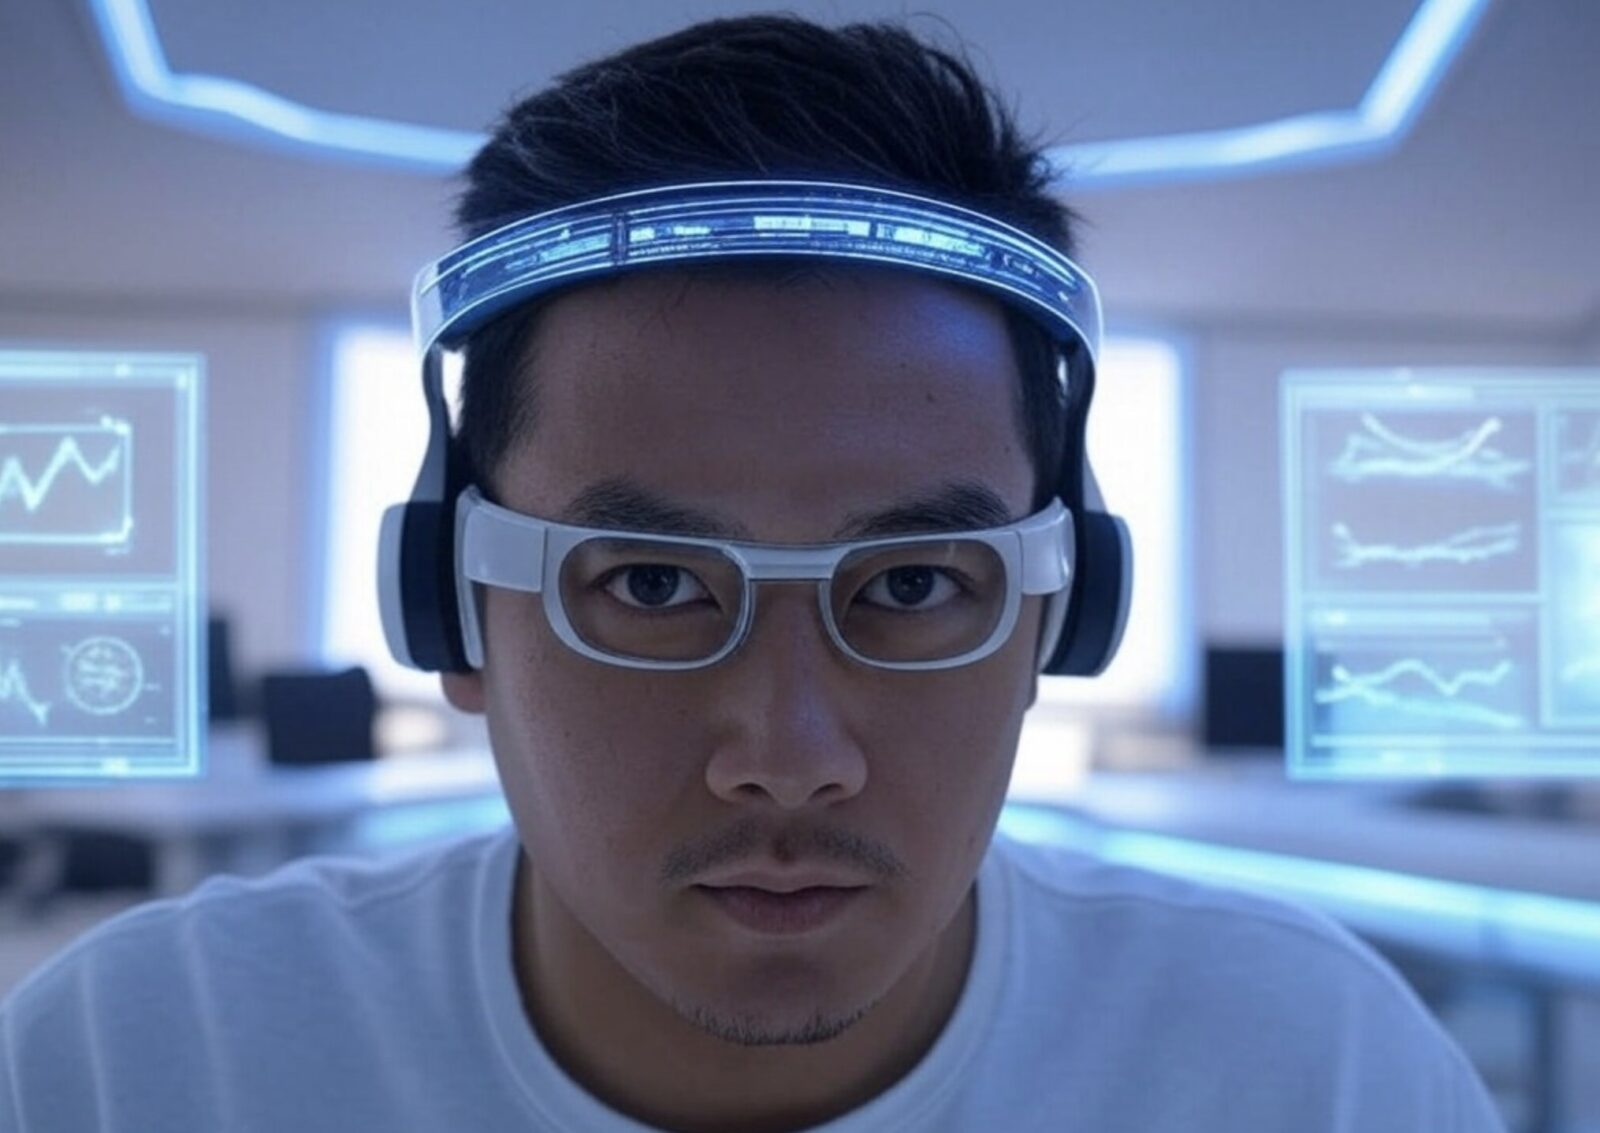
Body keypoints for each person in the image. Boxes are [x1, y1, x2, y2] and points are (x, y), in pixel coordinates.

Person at [0, 15, 1505, 1132]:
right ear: (451, 606)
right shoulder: (136, 1065)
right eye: (651, 584)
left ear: (1061, 615)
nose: (790, 754)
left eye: (913, 584)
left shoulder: (1319, 1071)